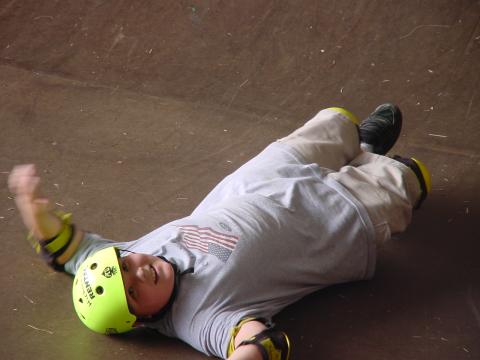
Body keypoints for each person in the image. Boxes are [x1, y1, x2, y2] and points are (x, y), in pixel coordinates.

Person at [8, 104, 431, 360]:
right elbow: (255, 341)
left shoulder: (121, 258)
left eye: (125, 265)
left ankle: (362, 145)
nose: (138, 271)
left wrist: (31, 206)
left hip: (267, 177)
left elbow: (68, 252)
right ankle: (371, 161)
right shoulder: (198, 318)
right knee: (412, 178)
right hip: (334, 219)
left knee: (337, 120)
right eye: (133, 292)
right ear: (141, 320)